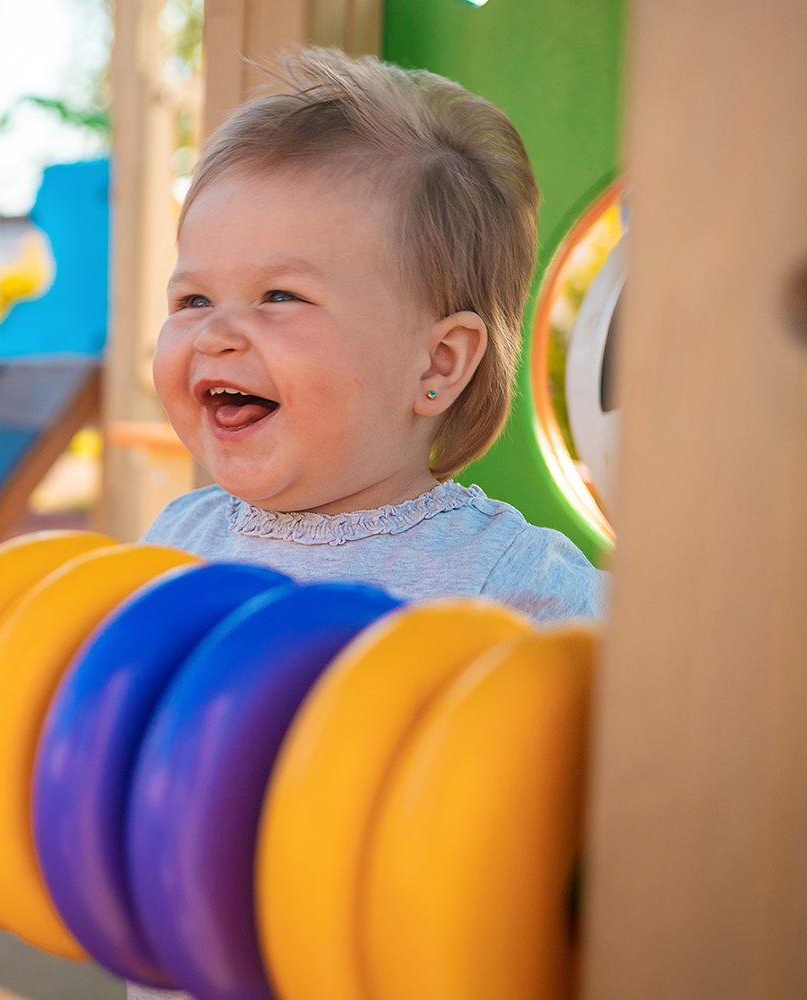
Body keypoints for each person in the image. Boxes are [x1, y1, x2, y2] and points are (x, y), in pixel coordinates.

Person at [142, 48, 606, 623]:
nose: (214, 334)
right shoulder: (174, 541)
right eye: (194, 300)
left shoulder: (503, 581)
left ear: (437, 363)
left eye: (280, 296)